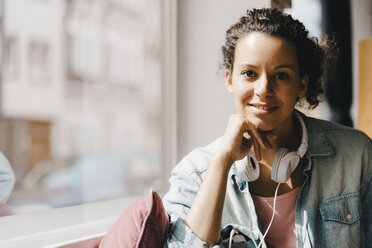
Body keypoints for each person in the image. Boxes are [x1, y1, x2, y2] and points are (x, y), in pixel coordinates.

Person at [162, 8, 372, 248]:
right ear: (230, 80)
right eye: (249, 73)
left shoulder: (357, 154)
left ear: (301, 85)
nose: (263, 89)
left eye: (281, 75)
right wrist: (221, 163)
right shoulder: (194, 174)